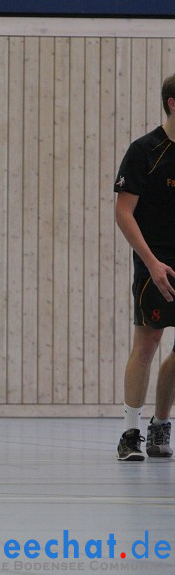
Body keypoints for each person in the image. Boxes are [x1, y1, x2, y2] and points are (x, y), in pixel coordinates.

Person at [114, 74, 175, 461]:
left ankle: (159, 427)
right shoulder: (144, 151)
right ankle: (130, 431)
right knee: (148, 341)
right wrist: (151, 263)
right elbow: (123, 213)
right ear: (173, 104)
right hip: (155, 263)